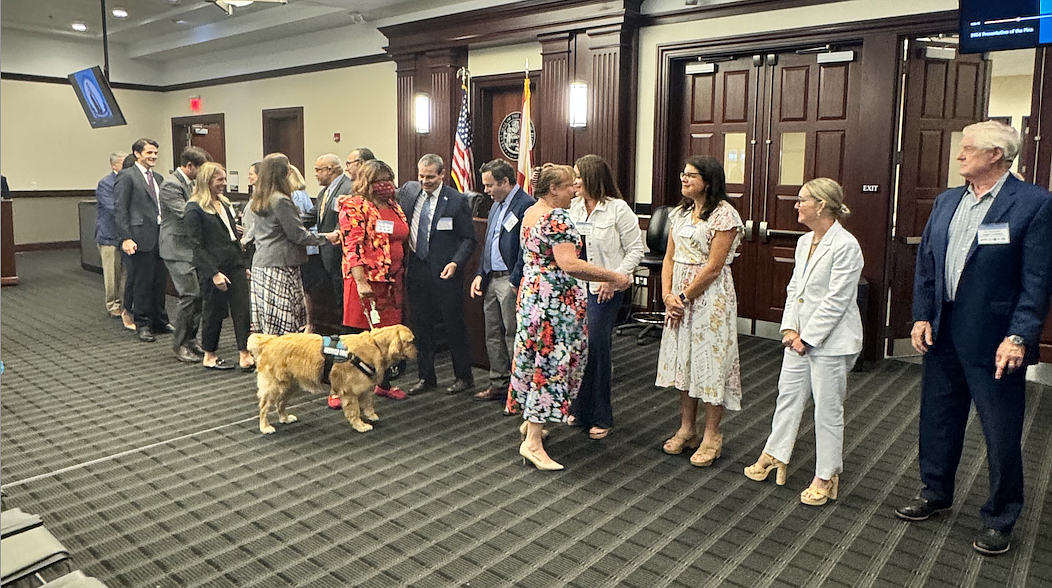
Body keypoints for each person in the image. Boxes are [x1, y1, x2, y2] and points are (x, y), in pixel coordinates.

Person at [896, 121, 1052, 556]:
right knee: (938, 417)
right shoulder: (947, 201)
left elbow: (1037, 280)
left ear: (996, 156)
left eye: (967, 150)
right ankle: (934, 492)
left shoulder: (1034, 204)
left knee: (1000, 430)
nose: (959, 156)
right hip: (942, 331)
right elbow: (927, 264)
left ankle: (1001, 517)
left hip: (995, 339)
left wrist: (1019, 336)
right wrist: (921, 316)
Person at [743, 178, 863, 506]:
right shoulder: (804, 241)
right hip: (798, 338)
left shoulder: (846, 245)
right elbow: (794, 289)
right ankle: (775, 454)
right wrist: (789, 330)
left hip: (832, 343)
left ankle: (826, 474)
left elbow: (837, 300)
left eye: (802, 200)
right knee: (788, 397)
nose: (796, 206)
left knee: (827, 409)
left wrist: (808, 338)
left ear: (822, 205)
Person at [506, 164, 632, 471]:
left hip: (533, 295)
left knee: (533, 358)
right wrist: (613, 275)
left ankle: (531, 422)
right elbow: (570, 264)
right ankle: (533, 442)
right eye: (568, 187)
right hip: (554, 301)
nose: (574, 191)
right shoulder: (557, 216)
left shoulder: (531, 212)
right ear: (553, 190)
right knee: (549, 364)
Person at [656, 155, 744, 467]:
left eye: (691, 175)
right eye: (683, 174)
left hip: (710, 298)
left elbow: (713, 267)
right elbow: (669, 257)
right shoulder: (679, 213)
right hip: (678, 294)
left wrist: (683, 296)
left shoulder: (724, 215)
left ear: (708, 180)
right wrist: (667, 294)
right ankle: (687, 428)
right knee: (685, 360)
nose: (684, 179)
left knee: (710, 361)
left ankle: (711, 434)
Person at [567, 154, 643, 440]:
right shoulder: (573, 207)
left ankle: (600, 414)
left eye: (578, 176)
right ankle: (579, 406)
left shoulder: (618, 210)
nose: (574, 181)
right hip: (576, 289)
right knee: (579, 348)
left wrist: (613, 278)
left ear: (592, 178)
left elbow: (636, 250)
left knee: (598, 348)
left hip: (606, 290)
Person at [398, 153, 478, 395]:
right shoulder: (411, 196)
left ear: (442, 174)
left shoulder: (455, 200)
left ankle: (463, 376)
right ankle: (426, 377)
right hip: (417, 268)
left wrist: (455, 263)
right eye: (421, 176)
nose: (425, 181)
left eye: (430, 177)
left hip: (445, 271)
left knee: (454, 325)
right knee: (421, 326)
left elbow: (469, 239)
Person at [241, 154, 340, 335]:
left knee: (268, 320)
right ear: (285, 173)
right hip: (281, 265)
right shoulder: (281, 200)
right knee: (285, 322)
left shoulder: (260, 198)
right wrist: (326, 237)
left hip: (262, 264)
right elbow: (298, 235)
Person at [338, 159, 410, 400]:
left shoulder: (394, 205)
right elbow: (353, 247)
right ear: (368, 182)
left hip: (392, 284)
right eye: (381, 181)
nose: (387, 185)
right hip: (365, 282)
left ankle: (383, 383)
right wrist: (360, 282)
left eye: (389, 180)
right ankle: (340, 388)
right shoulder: (354, 206)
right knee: (356, 339)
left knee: (387, 337)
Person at [469, 159, 535, 403]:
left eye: (489, 185)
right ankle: (498, 382)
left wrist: (515, 279)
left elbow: (524, 248)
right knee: (492, 333)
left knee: (513, 333)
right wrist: (480, 273)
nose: (485, 191)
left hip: (511, 279)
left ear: (505, 182)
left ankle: (519, 386)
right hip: (491, 278)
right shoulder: (496, 205)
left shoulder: (526, 205)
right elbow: (489, 244)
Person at [184, 162, 255, 371]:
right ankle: (210, 354)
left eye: (224, 179)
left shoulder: (223, 203)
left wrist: (243, 264)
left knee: (242, 309)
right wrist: (214, 273)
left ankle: (244, 353)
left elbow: (232, 237)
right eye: (219, 180)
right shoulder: (194, 208)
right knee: (213, 311)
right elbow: (196, 246)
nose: (224, 184)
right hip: (212, 267)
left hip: (235, 264)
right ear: (207, 181)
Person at [114, 138, 171, 343]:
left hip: (159, 235)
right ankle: (143, 324)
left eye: (155, 153)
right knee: (142, 283)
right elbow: (120, 209)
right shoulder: (127, 176)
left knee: (159, 281)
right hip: (139, 237)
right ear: (137, 154)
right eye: (149, 153)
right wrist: (126, 238)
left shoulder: (158, 177)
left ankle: (160, 320)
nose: (153, 156)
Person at [159, 146, 212, 363]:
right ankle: (178, 344)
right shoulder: (171, 185)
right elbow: (186, 214)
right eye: (200, 169)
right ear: (189, 166)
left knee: (198, 297)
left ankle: (191, 340)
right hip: (176, 248)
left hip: (190, 249)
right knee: (189, 296)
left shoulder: (190, 183)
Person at [307, 153, 354, 333]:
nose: (316, 174)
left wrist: (331, 236)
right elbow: (311, 217)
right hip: (325, 256)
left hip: (340, 255)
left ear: (330, 169)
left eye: (318, 170)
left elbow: (344, 222)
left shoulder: (348, 188)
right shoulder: (323, 192)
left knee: (343, 301)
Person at [94, 151, 130, 325]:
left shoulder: (130, 180)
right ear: (114, 165)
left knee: (126, 273)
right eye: (124, 163)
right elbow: (113, 208)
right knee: (112, 273)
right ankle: (113, 305)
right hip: (110, 235)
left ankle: (125, 304)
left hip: (127, 236)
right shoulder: (106, 184)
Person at [287, 164, 323, 333]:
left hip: (306, 248)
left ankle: (309, 324)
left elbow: (298, 224)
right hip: (312, 248)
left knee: (306, 288)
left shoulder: (294, 196)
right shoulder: (303, 194)